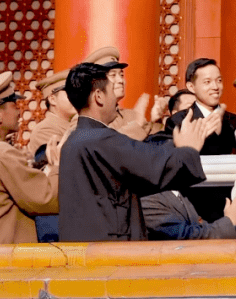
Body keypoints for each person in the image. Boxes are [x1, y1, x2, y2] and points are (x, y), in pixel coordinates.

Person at [59, 63, 215, 241]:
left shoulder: (74, 140)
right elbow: (154, 166)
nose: (116, 98)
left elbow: (139, 160)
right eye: (111, 90)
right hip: (107, 248)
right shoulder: (101, 139)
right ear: (99, 96)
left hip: (83, 246)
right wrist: (188, 149)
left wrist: (175, 145)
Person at [0, 72, 62, 243]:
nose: (19, 111)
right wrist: (56, 167)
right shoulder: (2, 153)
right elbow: (45, 199)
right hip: (8, 253)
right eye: (14, 105)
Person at [163, 58, 236, 156]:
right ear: (191, 87)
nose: (215, 87)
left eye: (219, 81)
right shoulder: (178, 121)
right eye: (207, 82)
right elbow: (172, 160)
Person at [82, 46, 168, 141]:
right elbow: (99, 145)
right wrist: (137, 125)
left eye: (121, 75)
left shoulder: (131, 115)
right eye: (113, 75)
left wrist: (156, 119)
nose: (120, 80)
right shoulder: (86, 119)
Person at [140, 186, 236, 240]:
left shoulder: (179, 194)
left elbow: (202, 229)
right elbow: (188, 238)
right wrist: (230, 219)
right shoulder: (146, 198)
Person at [27, 69, 76, 158]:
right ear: (52, 99)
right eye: (69, 93)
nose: (76, 97)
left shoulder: (75, 122)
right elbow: (68, 159)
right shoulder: (43, 130)